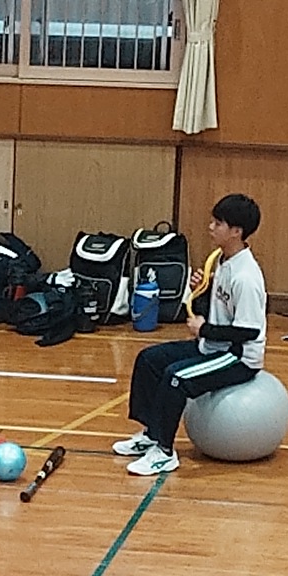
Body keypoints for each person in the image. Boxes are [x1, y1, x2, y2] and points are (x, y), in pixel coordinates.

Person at [117, 192, 264, 475]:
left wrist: (204, 329)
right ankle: (151, 435)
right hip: (213, 346)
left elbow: (248, 330)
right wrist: (202, 291)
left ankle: (164, 452)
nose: (211, 227)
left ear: (236, 231)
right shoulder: (221, 261)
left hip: (237, 358)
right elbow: (214, 310)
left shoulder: (246, 276)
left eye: (218, 223)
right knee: (149, 359)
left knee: (177, 377)